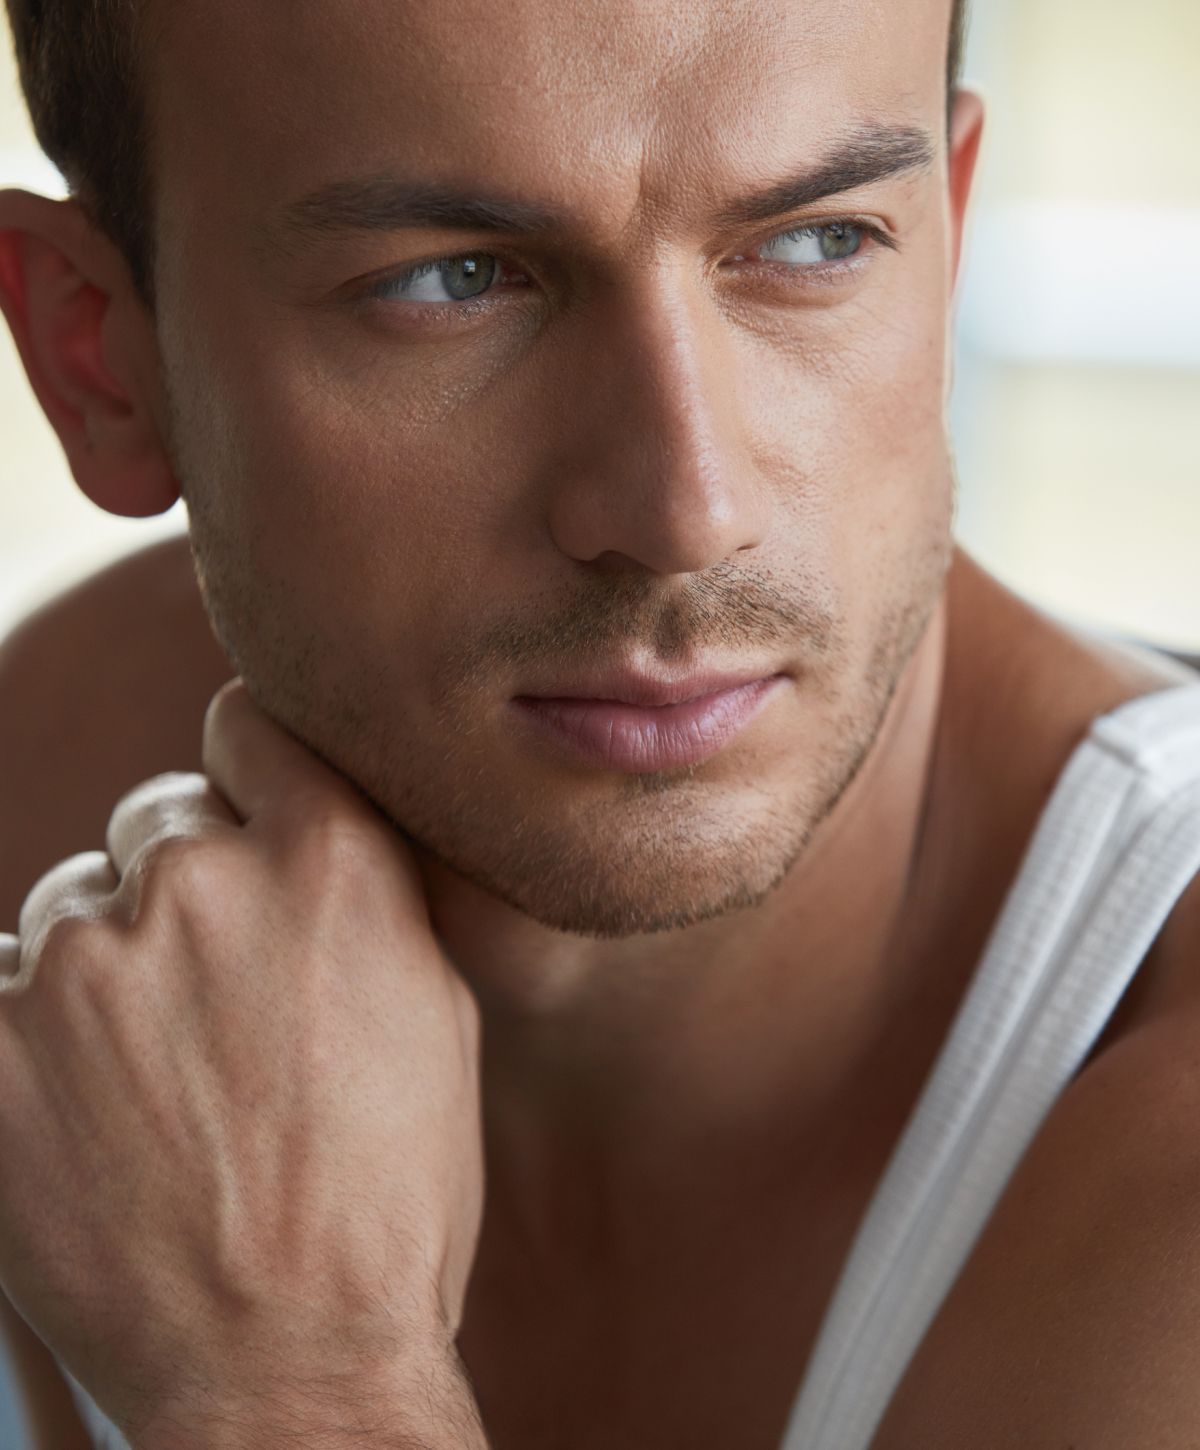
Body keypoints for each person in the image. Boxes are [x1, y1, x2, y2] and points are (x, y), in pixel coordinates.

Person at [0, 0, 1198, 1445]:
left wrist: (298, 1387)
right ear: (99, 358)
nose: (684, 509)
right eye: (452, 279)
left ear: (947, 241)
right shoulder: (41, 815)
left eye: (817, 242)